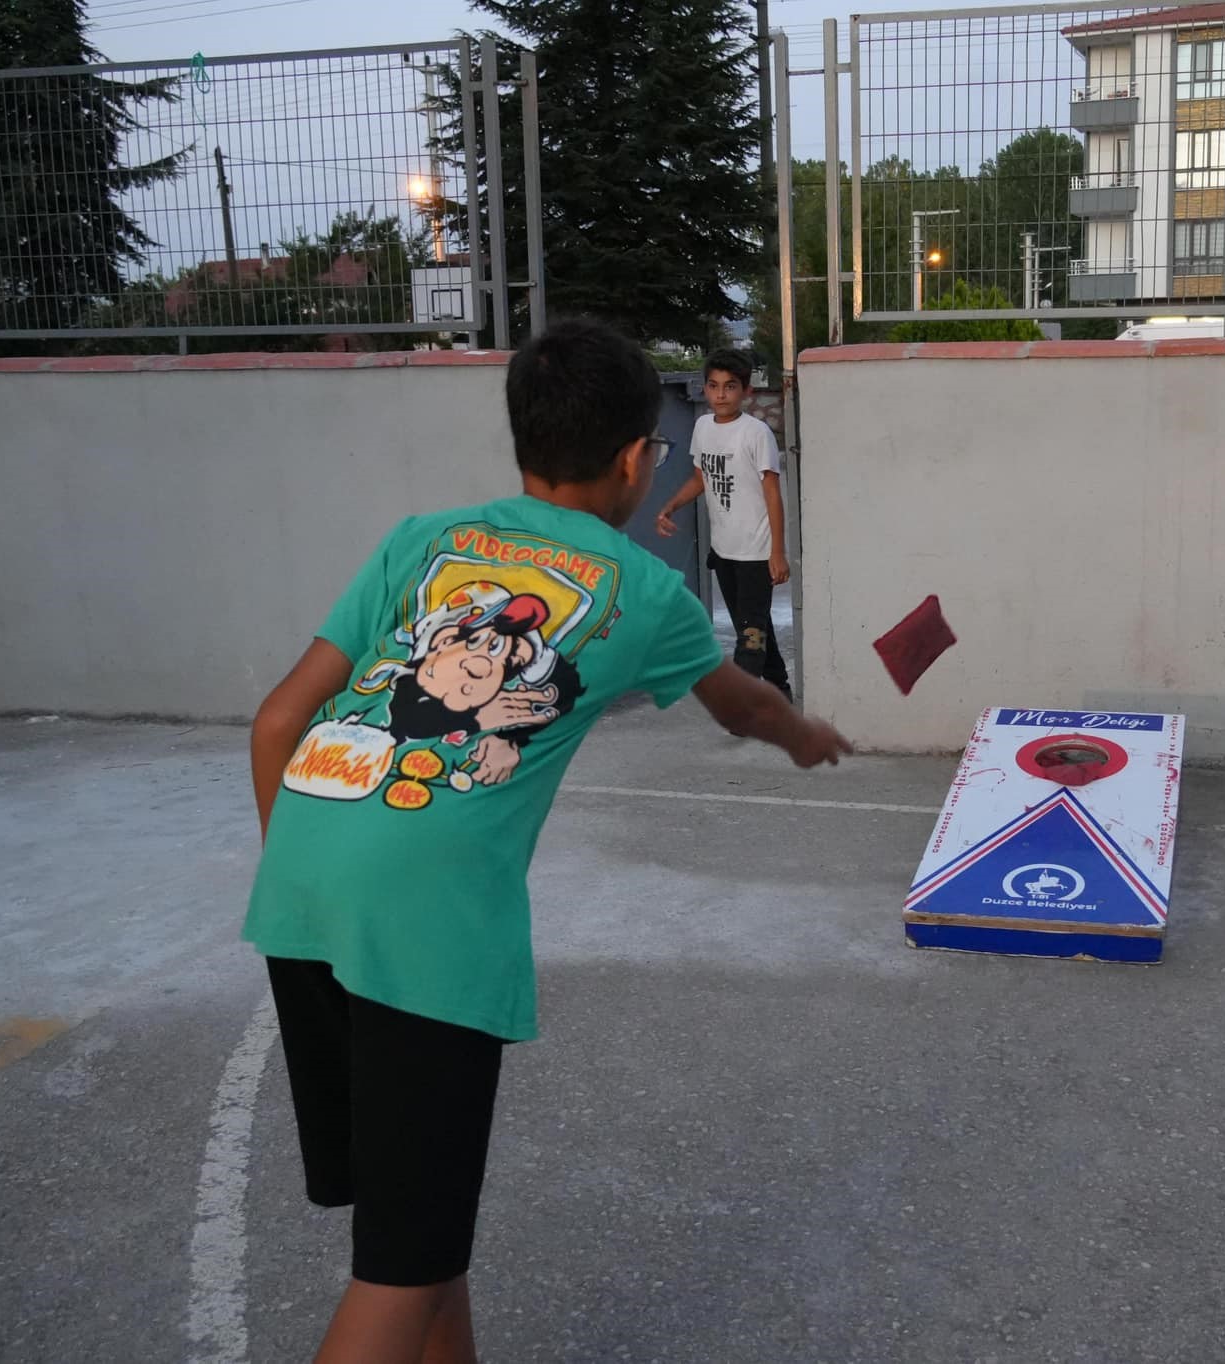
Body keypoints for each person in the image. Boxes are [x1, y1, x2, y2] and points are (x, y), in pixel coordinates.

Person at [243, 318, 852, 1364]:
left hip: (300, 882)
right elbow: (743, 704)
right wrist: (805, 735)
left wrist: (314, 880)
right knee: (395, 1277)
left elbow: (274, 723)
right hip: (424, 919)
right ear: (633, 461)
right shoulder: (643, 588)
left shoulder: (421, 538)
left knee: (418, 1229)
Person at [655, 349, 793, 700]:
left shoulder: (756, 433)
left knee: (750, 636)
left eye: (730, 386)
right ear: (704, 389)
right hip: (724, 549)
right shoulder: (703, 427)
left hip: (756, 551)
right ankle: (780, 690)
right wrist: (671, 505)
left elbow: (772, 494)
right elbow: (700, 478)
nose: (721, 394)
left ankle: (743, 706)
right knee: (753, 625)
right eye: (714, 386)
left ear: (746, 391)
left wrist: (777, 552)